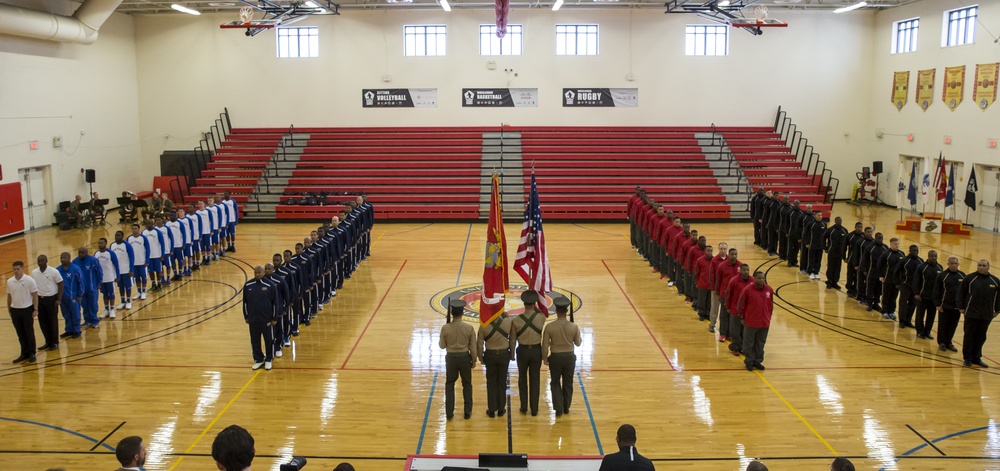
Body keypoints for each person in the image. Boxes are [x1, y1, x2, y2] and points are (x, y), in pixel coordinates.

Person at [542, 297, 581, 417]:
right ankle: (566, 407)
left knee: (555, 382)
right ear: (567, 311)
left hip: (555, 357)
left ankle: (558, 408)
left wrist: (544, 358)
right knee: (568, 382)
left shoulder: (550, 327)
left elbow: (545, 345)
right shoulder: (573, 327)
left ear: (556, 310)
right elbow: (578, 343)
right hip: (569, 357)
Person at [439, 298, 476, 420]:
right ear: (463, 312)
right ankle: (467, 411)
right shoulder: (469, 328)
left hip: (451, 358)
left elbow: (442, 346)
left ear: (451, 313)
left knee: (449, 384)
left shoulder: (445, 328)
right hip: (465, 358)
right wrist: (474, 360)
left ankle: (449, 412)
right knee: (467, 384)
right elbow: (473, 347)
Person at [958, 260, 1000, 368]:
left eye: (984, 266)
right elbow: (961, 293)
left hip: (986, 314)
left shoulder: (995, 281)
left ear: (988, 267)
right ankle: (967, 358)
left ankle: (977, 357)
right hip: (971, 313)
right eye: (979, 265)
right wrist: (961, 307)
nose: (981, 267)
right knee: (969, 336)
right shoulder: (970, 278)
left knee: (981, 337)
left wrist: (997, 310)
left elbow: (999, 297)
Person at [512, 290, 545, 416]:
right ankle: (534, 409)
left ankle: (524, 406)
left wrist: (511, 354)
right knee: (535, 379)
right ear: (534, 303)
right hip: (536, 351)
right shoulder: (541, 318)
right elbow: (542, 314)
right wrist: (536, 307)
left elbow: (513, 339)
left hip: (522, 351)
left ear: (523, 303)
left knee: (522, 379)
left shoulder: (516, 320)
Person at [478, 310, 516, 418]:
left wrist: (480, 358)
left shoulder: (484, 325)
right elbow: (512, 339)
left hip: (490, 355)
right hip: (504, 354)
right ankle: (501, 409)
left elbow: (480, 344)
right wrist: (512, 354)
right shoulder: (508, 322)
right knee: (502, 381)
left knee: (491, 382)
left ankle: (491, 410)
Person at [737, 271, 774, 371]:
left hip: (764, 323)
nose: (761, 280)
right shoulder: (748, 290)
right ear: (754, 279)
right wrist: (742, 317)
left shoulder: (769, 290)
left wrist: (769, 317)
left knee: (760, 343)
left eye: (763, 278)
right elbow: (741, 305)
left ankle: (757, 361)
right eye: (759, 278)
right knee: (748, 344)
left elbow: (771, 305)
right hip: (751, 322)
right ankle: (749, 361)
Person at [244, 266, 277, 371]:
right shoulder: (248, 285)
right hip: (253, 319)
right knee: (254, 340)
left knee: (268, 340)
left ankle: (269, 359)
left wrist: (274, 317)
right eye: (255, 272)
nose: (257, 274)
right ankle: (258, 359)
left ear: (263, 273)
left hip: (266, 319)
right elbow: (245, 303)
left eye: (259, 272)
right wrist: (246, 316)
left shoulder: (270, 285)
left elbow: (275, 303)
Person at [7, 261, 39, 363]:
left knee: (29, 332)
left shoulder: (29, 280)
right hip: (15, 310)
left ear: (22, 269)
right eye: (14, 269)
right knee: (20, 333)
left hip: (27, 309)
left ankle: (32, 353)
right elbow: (9, 296)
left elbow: (35, 295)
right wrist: (9, 309)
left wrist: (35, 309)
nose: (16, 271)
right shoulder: (10, 281)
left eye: (18, 269)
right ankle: (24, 353)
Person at [933, 256, 965, 352]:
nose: (954, 265)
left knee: (953, 325)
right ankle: (941, 342)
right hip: (944, 306)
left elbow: (965, 292)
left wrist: (962, 306)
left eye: (955, 263)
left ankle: (949, 342)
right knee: (943, 325)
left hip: (957, 307)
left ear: (958, 264)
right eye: (952, 263)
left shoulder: (962, 276)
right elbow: (936, 291)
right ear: (948, 264)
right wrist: (938, 304)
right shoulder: (942, 275)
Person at [32, 255, 63, 351]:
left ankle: (55, 342)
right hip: (40, 300)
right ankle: (47, 341)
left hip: (51, 299)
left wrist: (59, 298)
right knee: (42, 322)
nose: (40, 263)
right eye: (38, 261)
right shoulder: (34, 272)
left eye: (42, 261)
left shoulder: (53, 271)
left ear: (46, 261)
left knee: (52, 321)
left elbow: (61, 284)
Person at [725, 264, 753, 356]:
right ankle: (735, 347)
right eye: (744, 270)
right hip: (735, 310)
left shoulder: (752, 281)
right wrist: (728, 307)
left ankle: (743, 347)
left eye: (747, 270)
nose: (746, 272)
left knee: (744, 331)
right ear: (740, 271)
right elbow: (729, 294)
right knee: (735, 330)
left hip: (747, 312)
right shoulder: (734, 281)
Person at [912, 250, 941, 340]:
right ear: (928, 256)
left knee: (931, 315)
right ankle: (920, 331)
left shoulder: (939, 268)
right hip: (922, 296)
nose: (933, 258)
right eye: (932, 256)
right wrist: (916, 293)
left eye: (935, 256)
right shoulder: (922, 267)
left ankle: (927, 331)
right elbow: (916, 280)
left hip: (933, 297)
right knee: (920, 315)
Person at [55, 252, 83, 339]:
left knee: (75, 314)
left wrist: (80, 294)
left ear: (69, 258)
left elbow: (81, 282)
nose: (62, 259)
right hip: (62, 297)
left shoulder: (75, 269)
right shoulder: (57, 270)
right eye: (61, 258)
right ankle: (69, 330)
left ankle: (76, 330)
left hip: (73, 297)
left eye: (64, 258)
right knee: (66, 314)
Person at [73, 246, 102, 329]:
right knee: (84, 305)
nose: (80, 254)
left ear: (86, 252)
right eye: (79, 253)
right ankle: (87, 320)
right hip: (82, 289)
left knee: (93, 304)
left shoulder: (93, 260)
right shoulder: (75, 261)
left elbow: (99, 272)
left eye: (82, 253)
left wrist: (100, 282)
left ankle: (95, 320)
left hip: (92, 287)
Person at [94, 237, 121, 319]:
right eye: (99, 243)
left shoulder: (111, 253)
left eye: (101, 243)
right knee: (105, 294)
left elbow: (116, 265)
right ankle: (106, 309)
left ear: (105, 243)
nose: (100, 244)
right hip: (101, 279)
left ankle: (112, 309)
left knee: (111, 294)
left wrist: (117, 276)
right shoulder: (96, 254)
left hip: (110, 277)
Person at [109, 231, 136, 310]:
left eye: (118, 235)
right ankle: (122, 301)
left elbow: (132, 257)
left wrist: (131, 269)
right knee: (120, 287)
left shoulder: (127, 245)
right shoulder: (112, 245)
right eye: (115, 235)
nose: (116, 237)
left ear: (122, 236)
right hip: (117, 271)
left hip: (126, 270)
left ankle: (128, 301)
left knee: (127, 286)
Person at [823, 216, 849, 289]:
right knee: (830, 267)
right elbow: (824, 237)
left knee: (838, 268)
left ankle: (835, 282)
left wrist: (844, 254)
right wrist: (825, 247)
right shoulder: (830, 230)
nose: (839, 221)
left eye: (840, 220)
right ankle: (829, 281)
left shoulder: (844, 230)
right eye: (838, 220)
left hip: (840, 253)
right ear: (835, 221)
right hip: (831, 252)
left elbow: (847, 242)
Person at [127, 223, 150, 300]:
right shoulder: (129, 238)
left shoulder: (143, 238)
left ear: (139, 229)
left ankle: (144, 291)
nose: (134, 230)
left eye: (135, 229)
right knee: (136, 278)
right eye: (133, 229)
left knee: (143, 277)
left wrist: (147, 260)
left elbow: (148, 250)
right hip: (133, 263)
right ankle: (139, 291)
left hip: (142, 262)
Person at [142, 219, 166, 292]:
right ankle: (153, 284)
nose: (148, 225)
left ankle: (159, 284)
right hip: (148, 256)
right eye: (147, 224)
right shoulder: (144, 232)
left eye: (150, 223)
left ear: (153, 224)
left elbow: (162, 244)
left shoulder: (157, 232)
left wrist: (162, 255)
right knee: (150, 271)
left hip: (157, 255)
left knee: (158, 271)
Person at [693, 245, 714, 323]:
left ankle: (708, 313)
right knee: (702, 300)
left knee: (709, 300)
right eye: (708, 251)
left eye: (711, 251)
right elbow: (696, 272)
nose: (710, 252)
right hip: (702, 284)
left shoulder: (714, 260)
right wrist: (696, 282)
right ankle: (701, 313)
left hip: (711, 285)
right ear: (705, 251)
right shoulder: (700, 260)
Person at [844, 222, 865, 297]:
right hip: (851, 259)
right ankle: (849, 289)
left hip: (860, 260)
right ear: (855, 227)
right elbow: (844, 246)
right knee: (850, 275)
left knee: (858, 276)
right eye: (858, 227)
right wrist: (844, 257)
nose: (860, 228)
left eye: (861, 227)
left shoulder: (864, 236)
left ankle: (856, 289)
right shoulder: (850, 235)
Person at [806, 211, 826, 280]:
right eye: (818, 215)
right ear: (815, 216)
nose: (820, 216)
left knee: (818, 260)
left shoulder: (824, 224)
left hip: (820, 245)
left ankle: (816, 272)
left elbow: (825, 236)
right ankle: (810, 272)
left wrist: (825, 245)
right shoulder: (811, 224)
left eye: (821, 215)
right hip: (812, 245)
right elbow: (806, 234)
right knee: (812, 259)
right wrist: (807, 243)